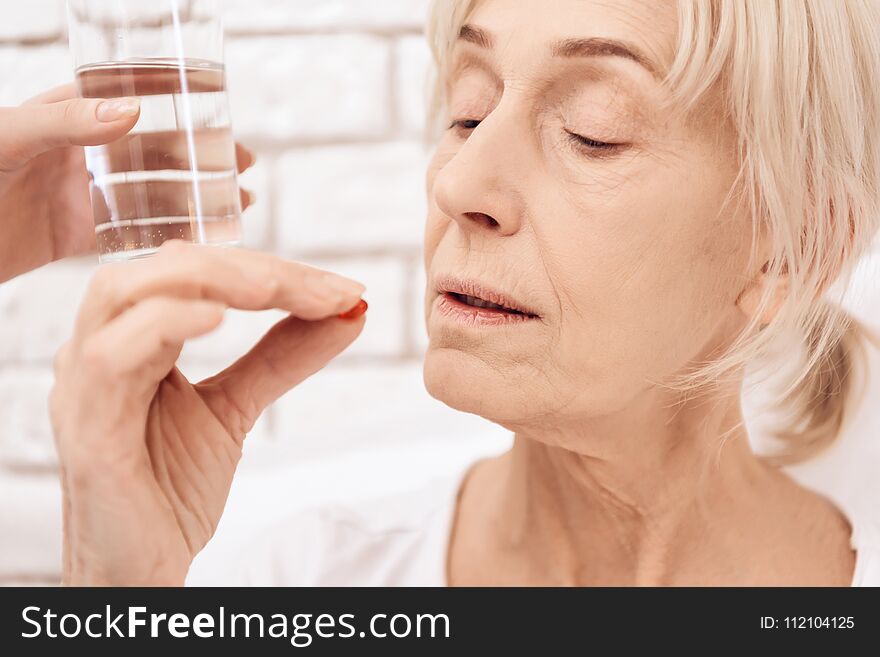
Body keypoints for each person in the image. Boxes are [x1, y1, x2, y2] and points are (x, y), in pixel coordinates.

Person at [34, 0, 880, 586]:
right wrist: (115, 595)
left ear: (792, 250)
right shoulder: (292, 582)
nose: (461, 182)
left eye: (594, 130)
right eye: (470, 111)